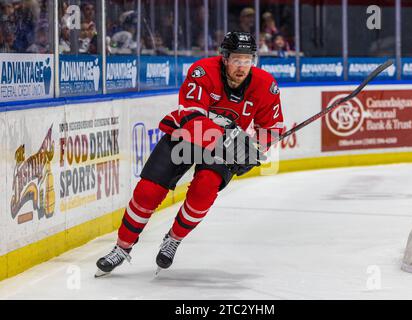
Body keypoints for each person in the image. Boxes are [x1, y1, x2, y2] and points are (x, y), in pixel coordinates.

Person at [95, 31, 284, 277]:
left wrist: (254, 151)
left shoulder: (265, 85)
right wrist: (230, 145)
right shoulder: (202, 71)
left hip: (221, 147)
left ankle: (173, 239)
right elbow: (192, 116)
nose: (242, 67)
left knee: (204, 190)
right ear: (225, 58)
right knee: (147, 192)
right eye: (237, 60)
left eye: (248, 60)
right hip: (186, 135)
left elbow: (271, 128)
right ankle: (122, 248)